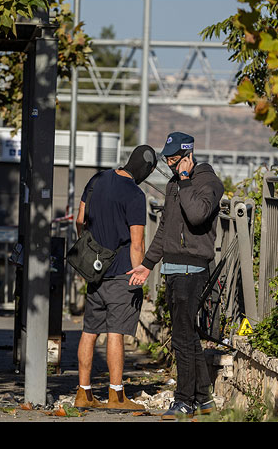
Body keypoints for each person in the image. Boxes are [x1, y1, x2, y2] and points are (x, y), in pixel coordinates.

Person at [127, 131, 224, 420]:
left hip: (192, 269)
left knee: (182, 338)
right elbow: (166, 230)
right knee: (186, 335)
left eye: (174, 159)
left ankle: (184, 401)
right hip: (172, 268)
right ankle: (204, 400)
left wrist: (184, 181)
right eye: (167, 160)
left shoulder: (209, 182)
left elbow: (196, 216)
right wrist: (147, 264)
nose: (170, 164)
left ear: (188, 155)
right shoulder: (172, 185)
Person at [73, 145, 157, 411]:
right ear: (145, 170)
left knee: (89, 331)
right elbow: (137, 243)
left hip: (94, 272)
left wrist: (88, 248)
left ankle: (83, 393)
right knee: (115, 333)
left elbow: (79, 219)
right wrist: (138, 274)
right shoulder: (135, 194)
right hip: (121, 272)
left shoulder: (97, 180)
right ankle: (116, 395)